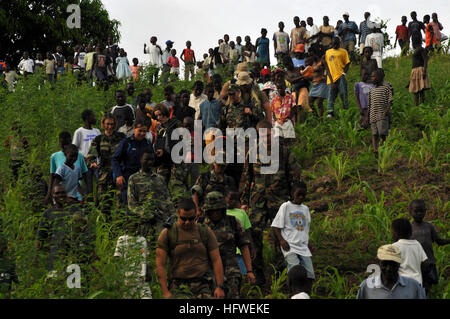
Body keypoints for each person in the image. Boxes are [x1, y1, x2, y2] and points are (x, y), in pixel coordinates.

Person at [240, 120, 302, 286]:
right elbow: (247, 179)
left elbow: (295, 176)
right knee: (254, 236)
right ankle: (258, 272)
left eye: (268, 135)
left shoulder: (284, 152)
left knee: (281, 238)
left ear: (273, 134)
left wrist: (294, 201)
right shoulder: (252, 153)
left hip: (279, 202)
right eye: (262, 136)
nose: (266, 139)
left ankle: (281, 273)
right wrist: (244, 202)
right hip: (258, 202)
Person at [155, 198, 225, 299]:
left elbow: (216, 259)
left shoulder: (205, 231)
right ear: (177, 214)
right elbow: (160, 265)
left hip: (203, 284)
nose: (187, 222)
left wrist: (219, 287)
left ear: (196, 215)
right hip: (179, 286)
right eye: (183, 219)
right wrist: (165, 292)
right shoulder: (168, 233)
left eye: (191, 219)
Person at [201, 191, 255, 298]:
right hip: (207, 272)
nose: (215, 213)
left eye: (218, 210)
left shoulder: (233, 222)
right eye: (213, 210)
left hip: (231, 270)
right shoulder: (201, 224)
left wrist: (249, 271)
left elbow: (244, 246)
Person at [271, 181, 314, 294]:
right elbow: (276, 226)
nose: (301, 197)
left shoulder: (305, 209)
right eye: (298, 194)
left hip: (303, 247)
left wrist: (308, 243)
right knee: (295, 271)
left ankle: (306, 294)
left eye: (303, 195)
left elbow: (305, 229)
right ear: (292, 193)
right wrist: (281, 240)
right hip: (289, 246)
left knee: (309, 274)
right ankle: (293, 293)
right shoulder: (286, 206)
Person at [127, 147, 175, 236]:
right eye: (146, 159)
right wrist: (146, 214)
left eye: (152, 160)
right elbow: (132, 204)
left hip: (162, 220)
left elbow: (168, 199)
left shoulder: (160, 179)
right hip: (143, 221)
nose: (149, 162)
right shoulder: (134, 179)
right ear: (141, 159)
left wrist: (173, 216)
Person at [356, 244, 426, 299]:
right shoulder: (366, 287)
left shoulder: (413, 286)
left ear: (399, 264)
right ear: (379, 263)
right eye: (385, 264)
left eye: (393, 264)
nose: (388, 268)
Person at [409, 200, 450, 293]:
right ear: (410, 212)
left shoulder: (429, 226)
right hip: (414, 263)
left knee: (427, 287)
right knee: (414, 287)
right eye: (416, 211)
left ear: (425, 211)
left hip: (429, 262)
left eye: (422, 211)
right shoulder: (409, 227)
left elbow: (439, 241)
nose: (419, 214)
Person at [86, 113, 126, 208]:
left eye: (112, 124)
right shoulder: (98, 139)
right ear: (103, 124)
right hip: (104, 174)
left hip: (119, 172)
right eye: (107, 124)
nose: (110, 127)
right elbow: (91, 155)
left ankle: (120, 221)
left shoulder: (121, 137)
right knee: (104, 203)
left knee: (121, 202)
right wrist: (92, 163)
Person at [112, 120, 153, 205]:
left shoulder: (147, 143)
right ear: (134, 129)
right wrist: (118, 175)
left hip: (143, 177)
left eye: (144, 131)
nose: (142, 133)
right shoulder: (126, 143)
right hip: (128, 177)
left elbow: (152, 160)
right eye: (140, 131)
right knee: (127, 203)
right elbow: (115, 159)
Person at [45, 131, 88, 205]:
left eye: (67, 143)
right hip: (61, 197)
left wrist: (86, 194)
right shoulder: (54, 157)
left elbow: (84, 176)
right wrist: (49, 194)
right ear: (59, 143)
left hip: (76, 197)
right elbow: (53, 178)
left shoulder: (79, 156)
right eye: (63, 143)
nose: (65, 146)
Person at [225, 189, 255, 276]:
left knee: (242, 275)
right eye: (230, 199)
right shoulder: (222, 213)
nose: (233, 201)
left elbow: (247, 231)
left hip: (241, 250)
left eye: (235, 199)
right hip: (227, 250)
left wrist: (252, 247)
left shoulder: (241, 212)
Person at [391, 218, 429, 286]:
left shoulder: (393, 247)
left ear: (395, 233)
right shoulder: (417, 244)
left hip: (401, 284)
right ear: (410, 232)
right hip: (417, 283)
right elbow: (426, 263)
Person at [72, 109, 101, 197]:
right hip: (85, 164)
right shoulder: (79, 132)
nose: (95, 118)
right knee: (88, 188)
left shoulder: (97, 131)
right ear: (87, 118)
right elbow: (74, 148)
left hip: (97, 163)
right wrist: (84, 159)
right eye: (93, 116)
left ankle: (100, 205)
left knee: (100, 185)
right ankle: (88, 207)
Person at [153, 104, 182, 185]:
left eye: (160, 115)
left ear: (164, 113)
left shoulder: (176, 124)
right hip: (163, 160)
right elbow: (157, 143)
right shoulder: (159, 128)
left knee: (176, 186)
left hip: (175, 160)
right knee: (160, 185)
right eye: (156, 116)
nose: (158, 118)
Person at [324, 37, 351, 117]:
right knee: (330, 95)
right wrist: (330, 79)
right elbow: (326, 66)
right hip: (331, 78)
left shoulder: (343, 51)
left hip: (341, 76)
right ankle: (330, 112)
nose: (335, 45)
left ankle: (346, 110)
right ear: (331, 43)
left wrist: (343, 73)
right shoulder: (328, 52)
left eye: (336, 43)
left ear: (339, 43)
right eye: (333, 43)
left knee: (343, 94)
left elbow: (347, 63)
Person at [368, 69, 392, 153]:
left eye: (374, 76)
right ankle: (375, 149)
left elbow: (390, 100)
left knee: (382, 133)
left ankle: (384, 147)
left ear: (380, 77)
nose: (372, 78)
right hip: (373, 115)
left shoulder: (386, 87)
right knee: (374, 133)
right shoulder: (372, 89)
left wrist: (386, 111)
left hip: (382, 114)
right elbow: (370, 103)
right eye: (371, 76)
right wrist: (367, 116)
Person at [409, 40, 430, 106]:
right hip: (415, 71)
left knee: (421, 89)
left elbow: (425, 59)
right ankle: (416, 106)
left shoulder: (421, 49)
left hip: (419, 70)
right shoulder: (417, 50)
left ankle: (422, 105)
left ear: (414, 43)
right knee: (416, 90)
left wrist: (424, 71)